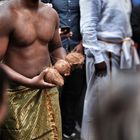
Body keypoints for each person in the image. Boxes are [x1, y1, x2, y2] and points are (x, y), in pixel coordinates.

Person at [0, 0, 68, 139]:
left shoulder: (51, 13)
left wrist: (63, 62)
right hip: (17, 98)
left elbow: (56, 47)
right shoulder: (6, 13)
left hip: (48, 92)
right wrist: (28, 82)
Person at [80, 0, 133, 139]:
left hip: (120, 52)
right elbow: (87, 26)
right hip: (104, 54)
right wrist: (98, 57)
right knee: (99, 105)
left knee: (117, 105)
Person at [42, 0, 86, 139]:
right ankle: (55, 128)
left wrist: (82, 43)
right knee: (55, 90)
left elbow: (88, 19)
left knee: (74, 90)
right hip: (55, 48)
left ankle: (68, 127)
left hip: (76, 49)